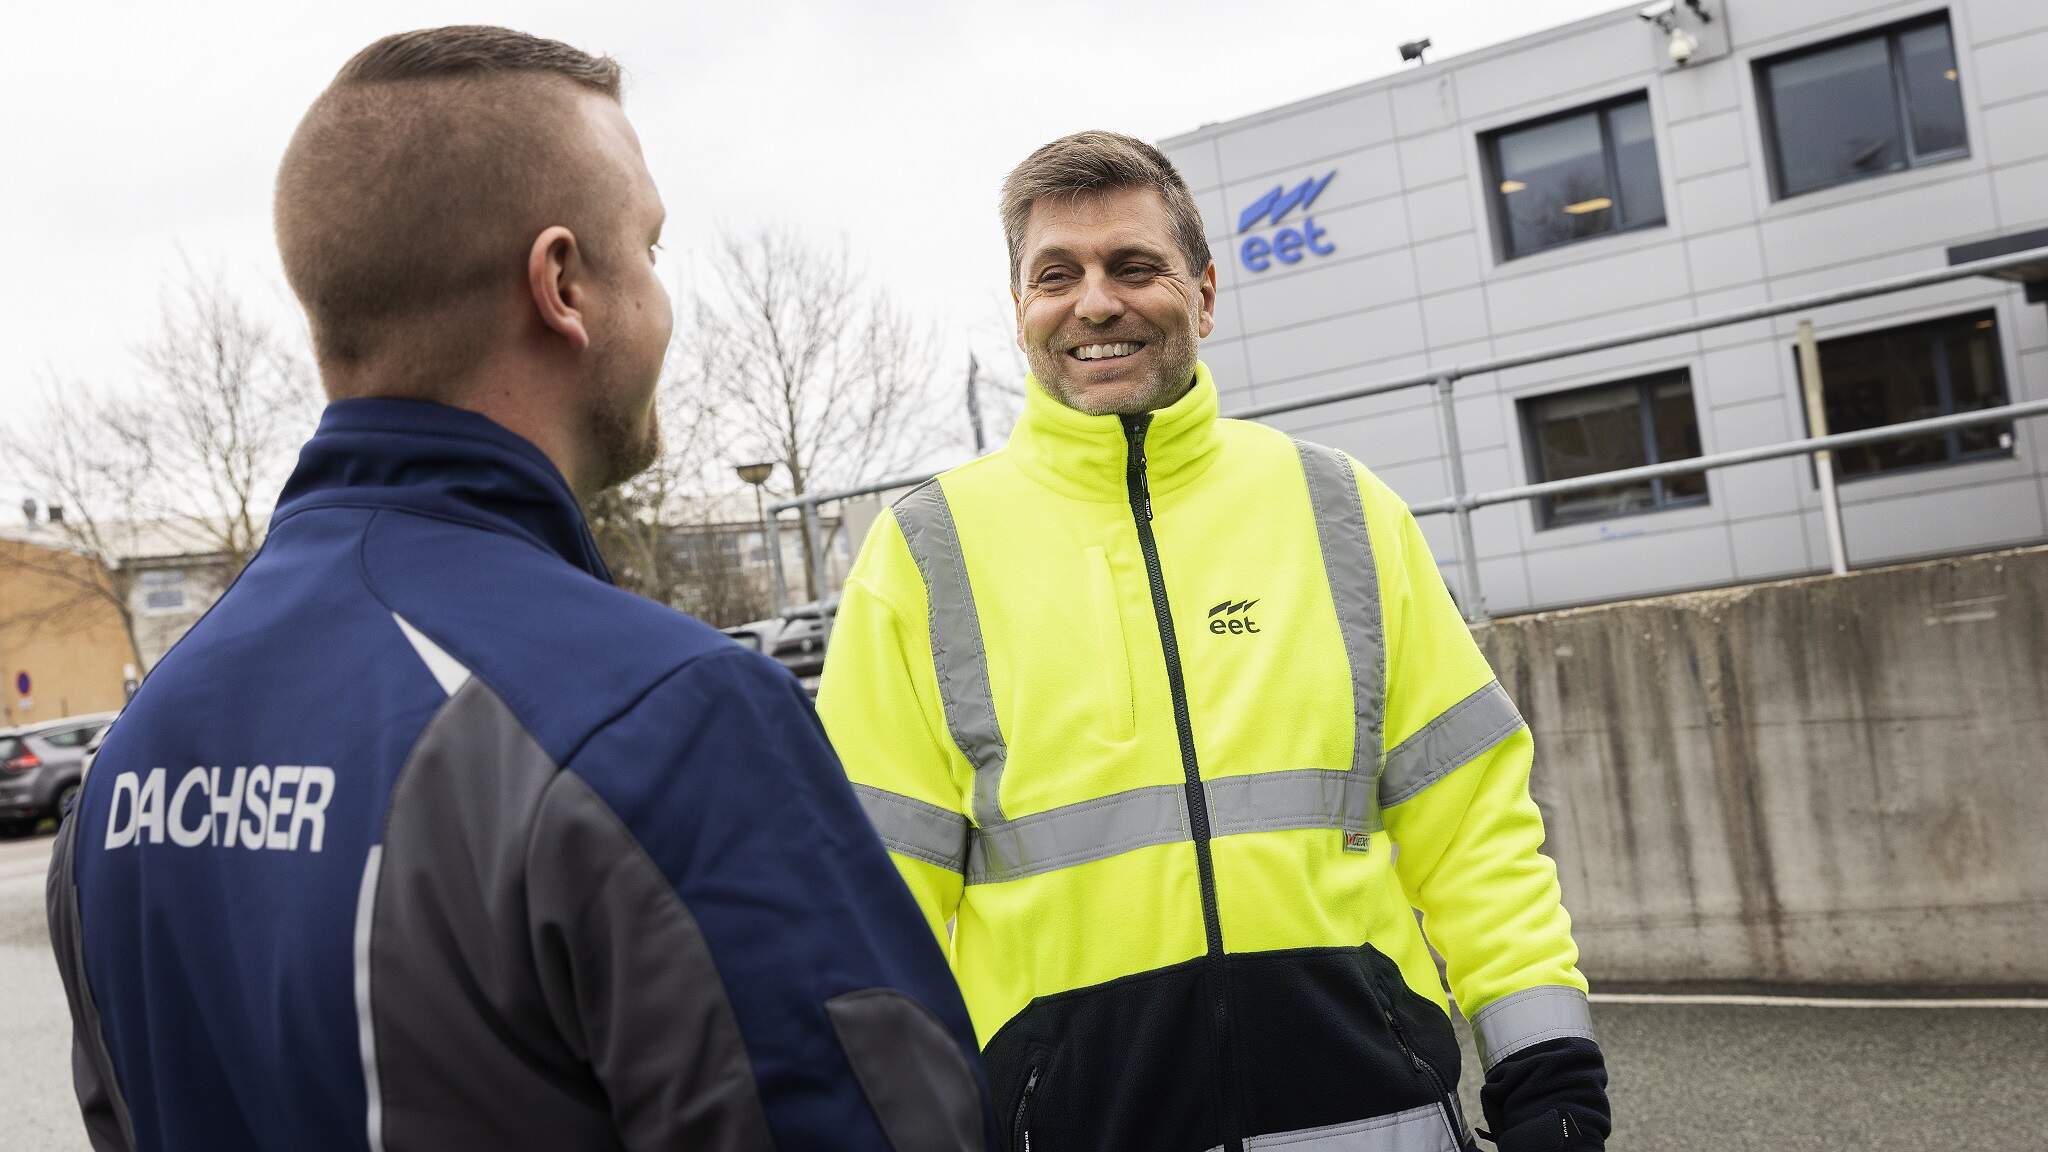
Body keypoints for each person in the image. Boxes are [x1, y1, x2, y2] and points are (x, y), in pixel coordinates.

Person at [48, 26, 991, 1152]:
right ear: (561, 283)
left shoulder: (131, 764)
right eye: (648, 246)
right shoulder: (666, 718)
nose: (661, 295)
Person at [816, 130, 1611, 1152]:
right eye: (1055, 274)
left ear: (1201, 293)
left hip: (1376, 1123)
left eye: (1132, 266)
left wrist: (1543, 1064)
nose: (1094, 301)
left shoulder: (1342, 511)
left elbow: (1472, 826)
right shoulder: (924, 556)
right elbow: (875, 904)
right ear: (1019, 311)